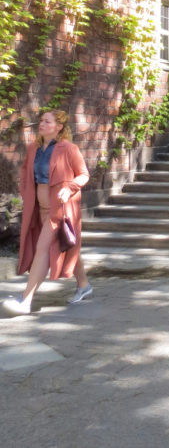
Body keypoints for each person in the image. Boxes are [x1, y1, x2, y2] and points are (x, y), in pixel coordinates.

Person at [2, 109, 92, 315]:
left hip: (60, 210)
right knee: (66, 245)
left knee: (42, 249)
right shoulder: (34, 148)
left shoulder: (68, 149)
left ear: (58, 127)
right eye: (41, 121)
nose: (41, 124)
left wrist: (69, 188)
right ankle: (84, 285)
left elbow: (84, 174)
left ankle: (26, 300)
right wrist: (24, 190)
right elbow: (26, 171)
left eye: (47, 121)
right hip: (39, 209)